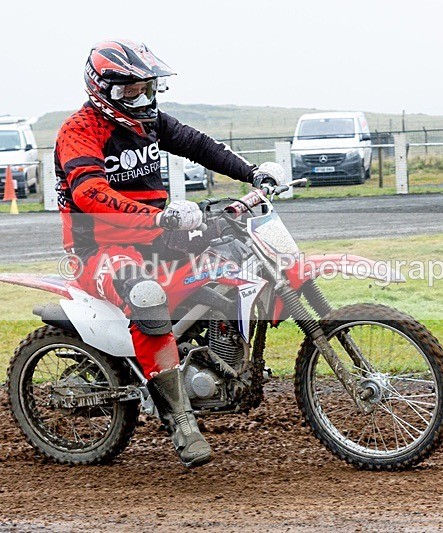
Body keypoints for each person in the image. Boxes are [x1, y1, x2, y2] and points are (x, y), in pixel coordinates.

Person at [54, 39, 281, 468]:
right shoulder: (80, 131)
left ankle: (219, 365)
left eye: (147, 87)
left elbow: (199, 145)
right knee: (145, 296)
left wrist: (253, 173)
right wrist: (161, 219)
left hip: (157, 239)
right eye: (129, 90)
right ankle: (179, 420)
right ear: (101, 88)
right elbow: (90, 193)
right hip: (100, 249)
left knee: (236, 260)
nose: (140, 97)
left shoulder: (150, 121)